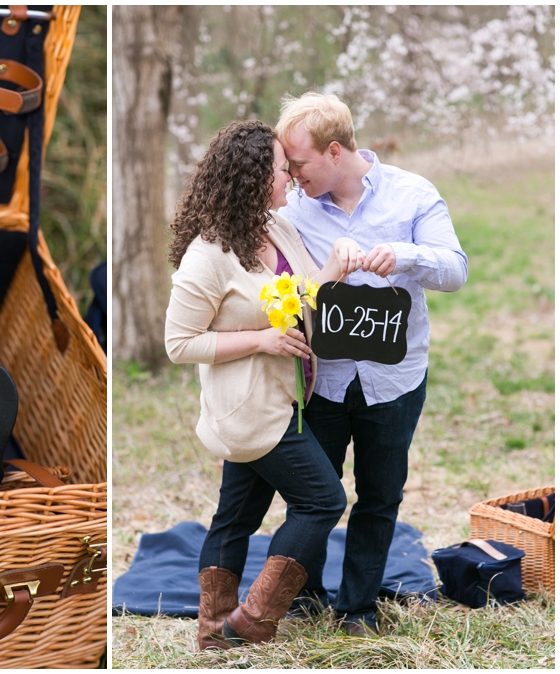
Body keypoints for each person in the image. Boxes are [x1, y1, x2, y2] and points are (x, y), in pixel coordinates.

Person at [165, 120, 366, 650]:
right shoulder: (207, 257)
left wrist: (331, 272)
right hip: (248, 410)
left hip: (285, 399)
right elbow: (179, 344)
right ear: (254, 179)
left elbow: (298, 296)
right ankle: (251, 622)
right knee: (323, 501)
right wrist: (260, 340)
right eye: (282, 170)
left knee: (236, 514)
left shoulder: (275, 230)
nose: (291, 179)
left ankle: (214, 630)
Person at [276, 92, 468, 636]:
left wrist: (405, 255)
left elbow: (455, 270)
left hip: (396, 379)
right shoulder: (292, 210)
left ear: (334, 151)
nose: (291, 176)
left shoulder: (412, 195)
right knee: (313, 493)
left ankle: (356, 609)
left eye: (299, 163)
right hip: (324, 381)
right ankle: (305, 596)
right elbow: (275, 287)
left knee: (380, 495)